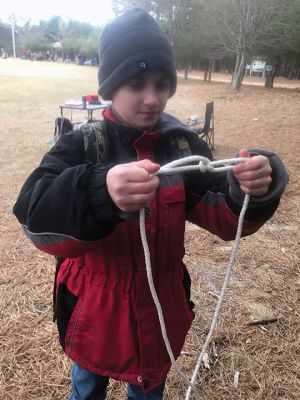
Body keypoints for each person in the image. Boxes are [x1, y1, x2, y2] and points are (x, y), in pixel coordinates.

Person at [13, 7, 288, 400]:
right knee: (86, 388)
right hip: (95, 315)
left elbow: (225, 217)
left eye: (162, 84)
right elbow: (35, 220)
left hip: (160, 313)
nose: (151, 98)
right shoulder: (83, 145)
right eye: (136, 82)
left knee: (148, 392)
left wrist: (251, 188)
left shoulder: (180, 145)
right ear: (109, 87)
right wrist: (99, 191)